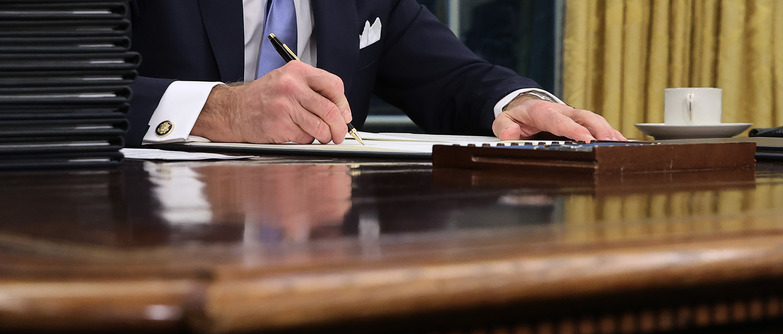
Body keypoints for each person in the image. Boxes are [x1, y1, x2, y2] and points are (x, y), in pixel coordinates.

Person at [124, 0, 626, 147]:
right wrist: (219, 110)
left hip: (332, 253)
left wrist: (518, 103)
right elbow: (58, 93)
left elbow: (454, 79)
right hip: (151, 243)